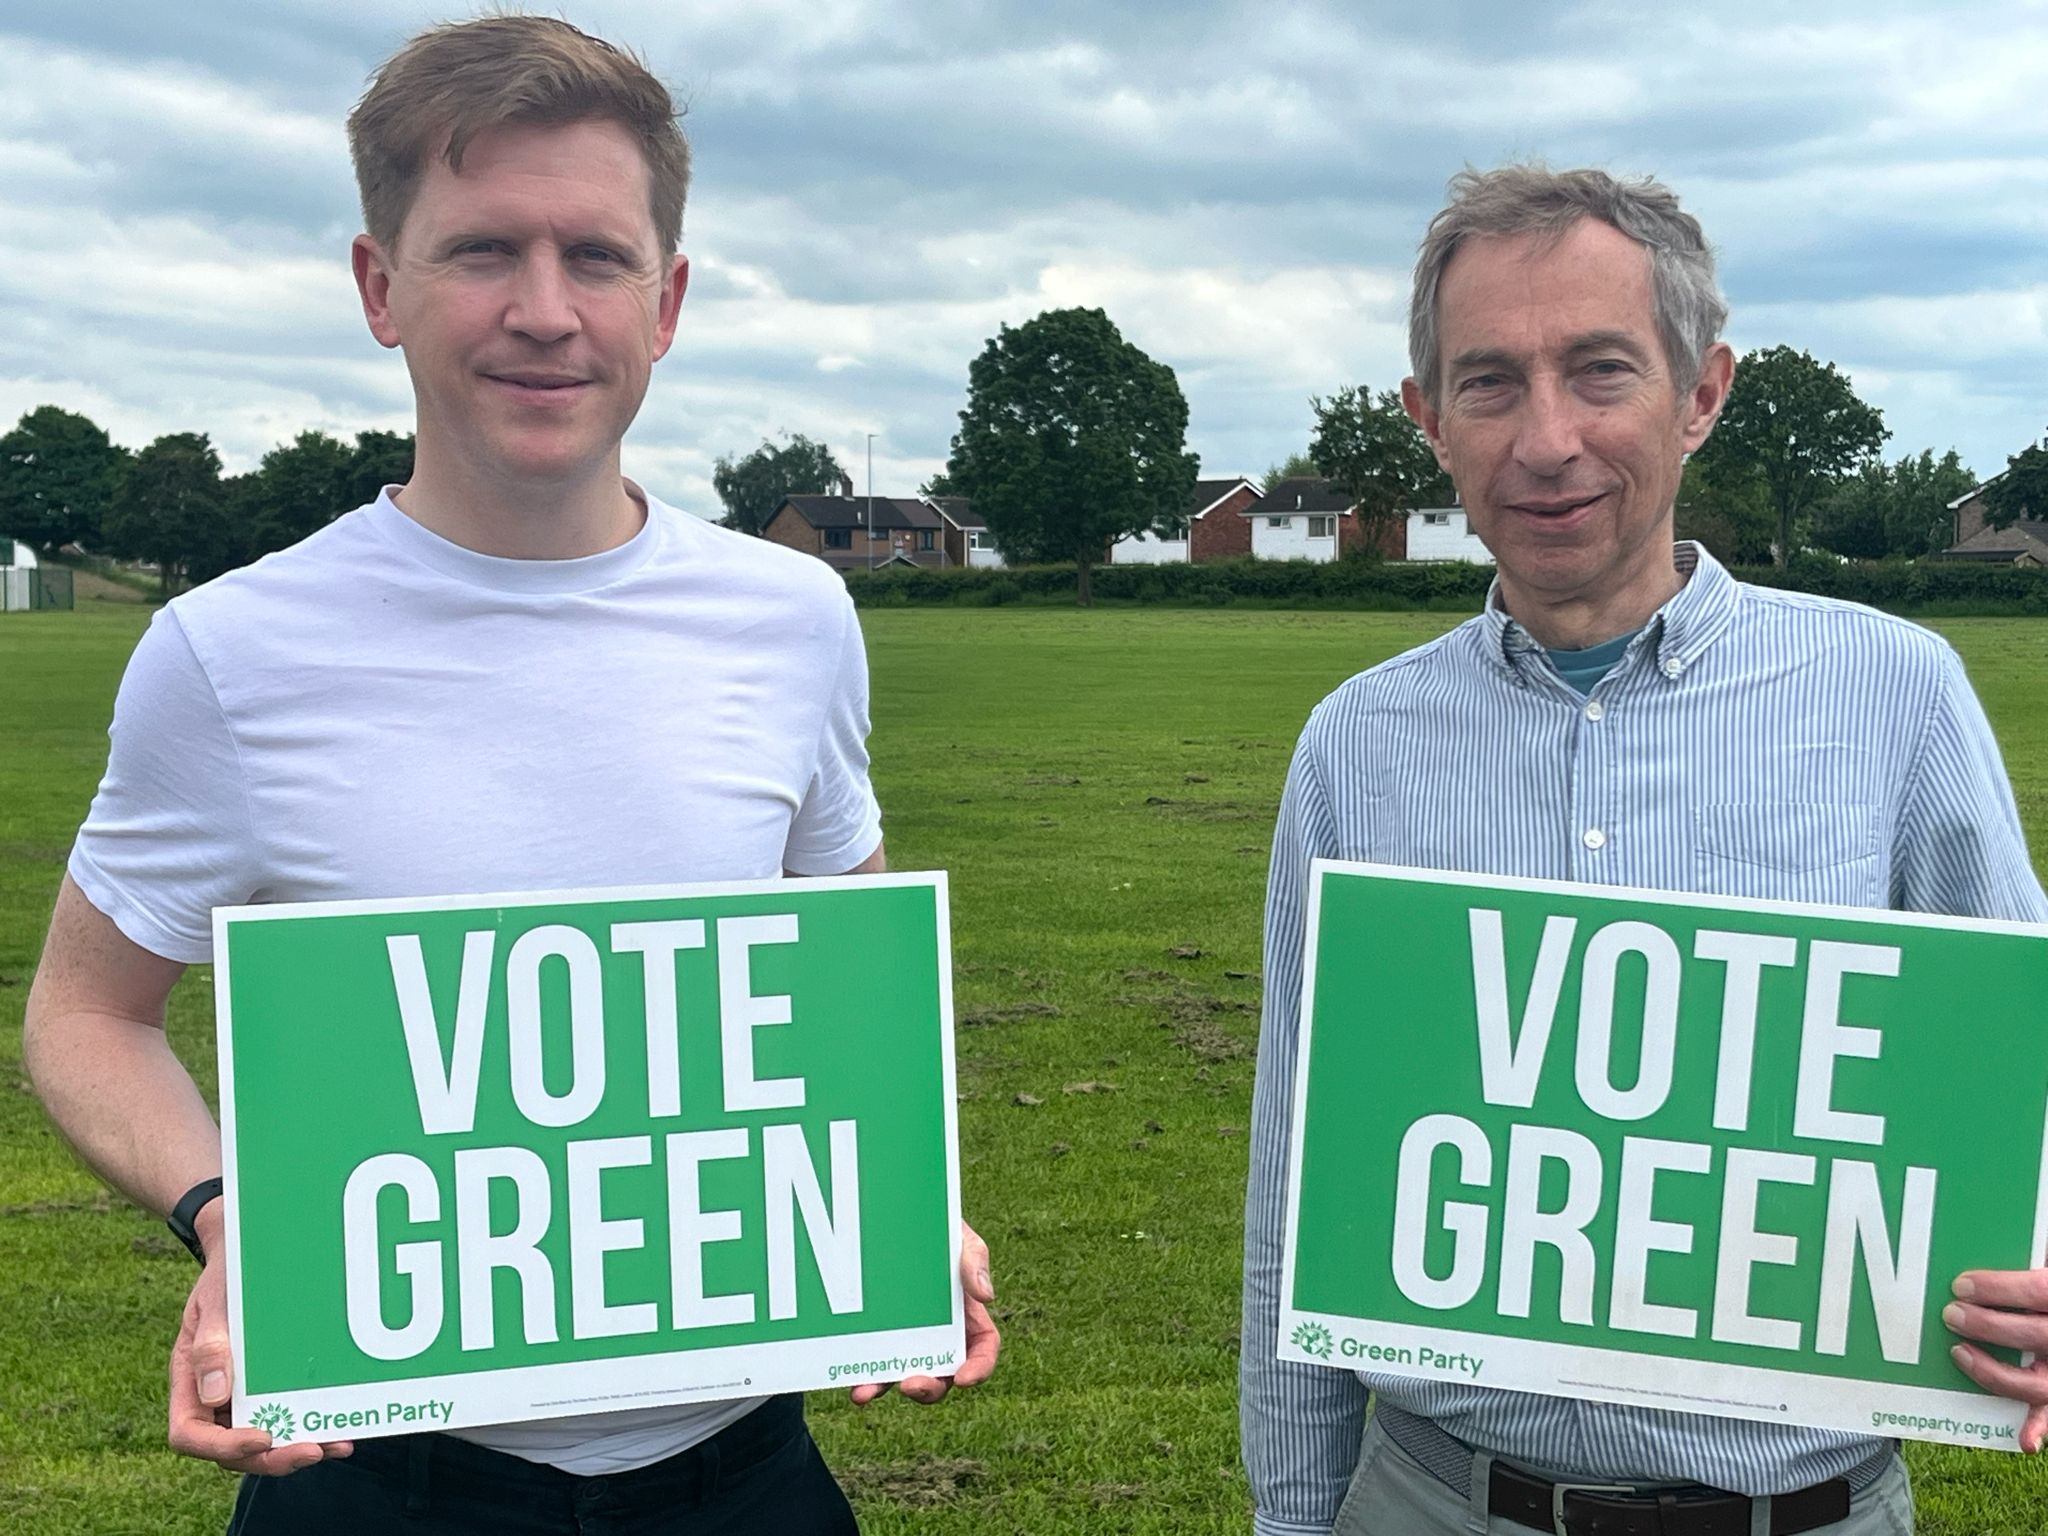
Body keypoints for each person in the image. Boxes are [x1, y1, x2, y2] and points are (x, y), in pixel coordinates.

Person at [22, 17, 996, 1534]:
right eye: (483, 250)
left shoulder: (795, 616)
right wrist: (234, 1223)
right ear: (378, 287)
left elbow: (837, 973)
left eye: (596, 257)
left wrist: (892, 1197)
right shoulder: (229, 653)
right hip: (382, 1485)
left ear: (664, 303)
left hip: (745, 1479)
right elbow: (87, 1015)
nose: (545, 312)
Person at [1239, 164, 2048, 1536]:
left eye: (1599, 370)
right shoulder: (1357, 743)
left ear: (1703, 392)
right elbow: (1293, 1197)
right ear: (1429, 419)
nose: (1546, 438)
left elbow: (2023, 1077)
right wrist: (1293, 1515)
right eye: (1489, 382)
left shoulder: (1896, 697)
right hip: (1434, 1501)